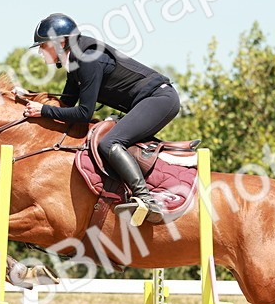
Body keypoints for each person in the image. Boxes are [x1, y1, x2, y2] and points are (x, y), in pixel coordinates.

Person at [24, 13, 179, 218]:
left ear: (61, 43)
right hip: (148, 100)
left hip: (160, 99)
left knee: (109, 143)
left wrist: (42, 110)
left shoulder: (87, 59)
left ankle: (146, 200)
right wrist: (27, 98)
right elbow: (67, 104)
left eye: (43, 45)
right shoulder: (75, 63)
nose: (40, 51)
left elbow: (84, 113)